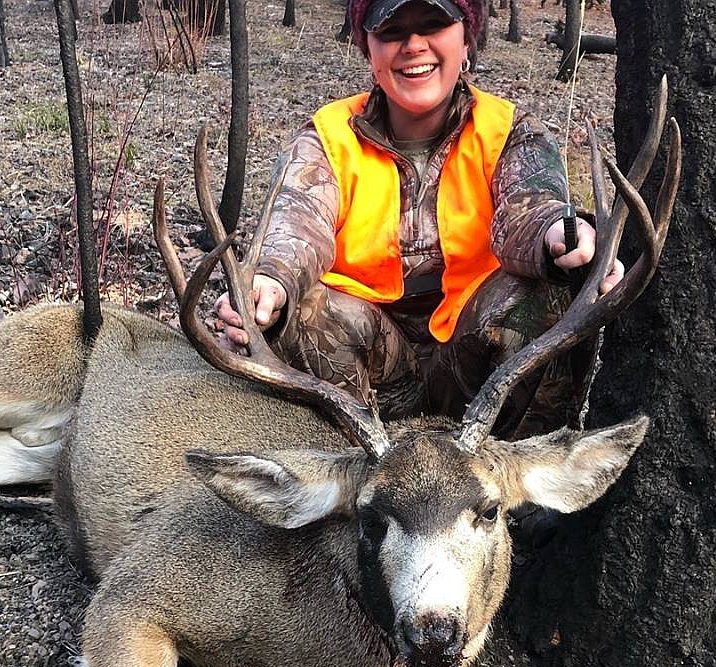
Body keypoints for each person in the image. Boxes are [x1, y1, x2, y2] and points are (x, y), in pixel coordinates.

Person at [214, 0, 623, 438]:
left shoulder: (508, 132)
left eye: (432, 24)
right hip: (365, 373)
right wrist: (270, 282)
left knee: (550, 289)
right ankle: (347, 480)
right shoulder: (330, 138)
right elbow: (296, 224)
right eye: (391, 31)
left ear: (467, 39)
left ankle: (520, 487)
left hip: (477, 365)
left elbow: (529, 209)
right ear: (367, 49)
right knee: (301, 307)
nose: (413, 45)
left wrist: (561, 237)